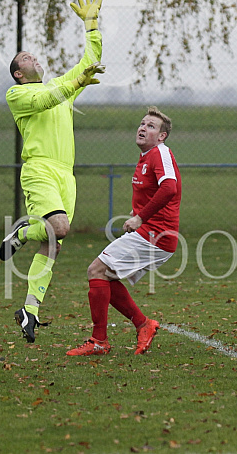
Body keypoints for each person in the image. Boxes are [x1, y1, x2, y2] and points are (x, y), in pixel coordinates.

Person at [0, 0, 104, 343]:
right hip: (40, 169)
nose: (35, 58)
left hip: (66, 175)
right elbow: (46, 97)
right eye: (27, 57)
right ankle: (21, 233)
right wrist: (75, 83)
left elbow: (90, 61)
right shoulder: (18, 95)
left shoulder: (61, 88)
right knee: (56, 226)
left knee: (56, 240)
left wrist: (91, 27)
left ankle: (30, 309)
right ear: (19, 72)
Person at [67, 106, 181, 356]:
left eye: (151, 126)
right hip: (153, 233)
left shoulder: (160, 152)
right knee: (104, 274)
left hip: (156, 235)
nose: (143, 128)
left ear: (162, 136)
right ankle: (143, 325)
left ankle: (100, 341)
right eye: (142, 123)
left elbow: (170, 188)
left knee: (96, 270)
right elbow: (156, 192)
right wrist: (139, 211)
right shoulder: (147, 156)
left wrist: (141, 217)